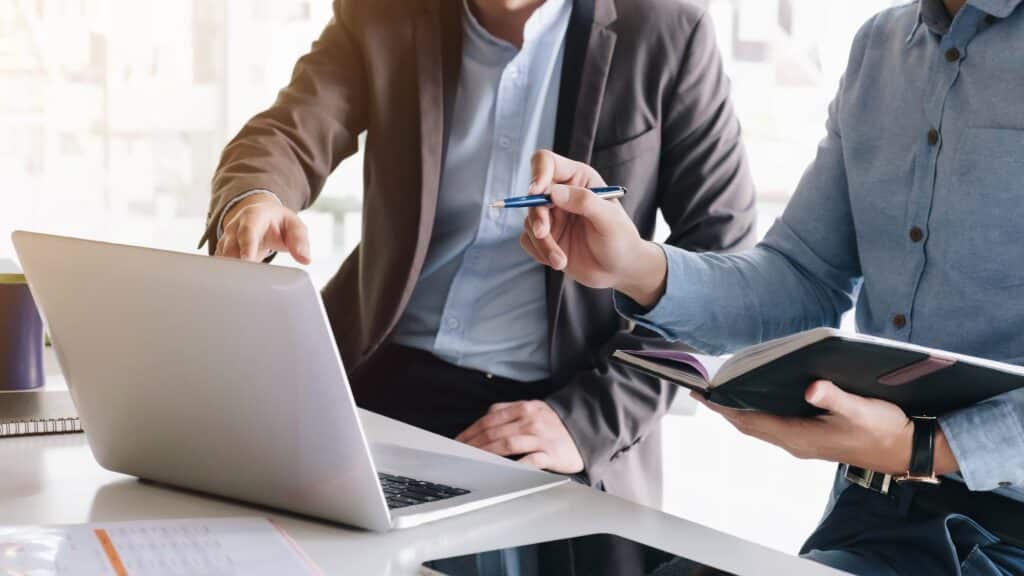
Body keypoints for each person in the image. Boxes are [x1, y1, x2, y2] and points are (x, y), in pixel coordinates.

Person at [518, 0, 1024, 572]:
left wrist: (925, 447)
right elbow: (804, 276)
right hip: (877, 515)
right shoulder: (880, 48)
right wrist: (635, 264)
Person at [201, 0, 756, 505]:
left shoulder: (667, 28)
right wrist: (257, 197)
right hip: (377, 381)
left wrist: (588, 422)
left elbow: (721, 264)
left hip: (561, 408)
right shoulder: (382, 11)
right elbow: (290, 131)